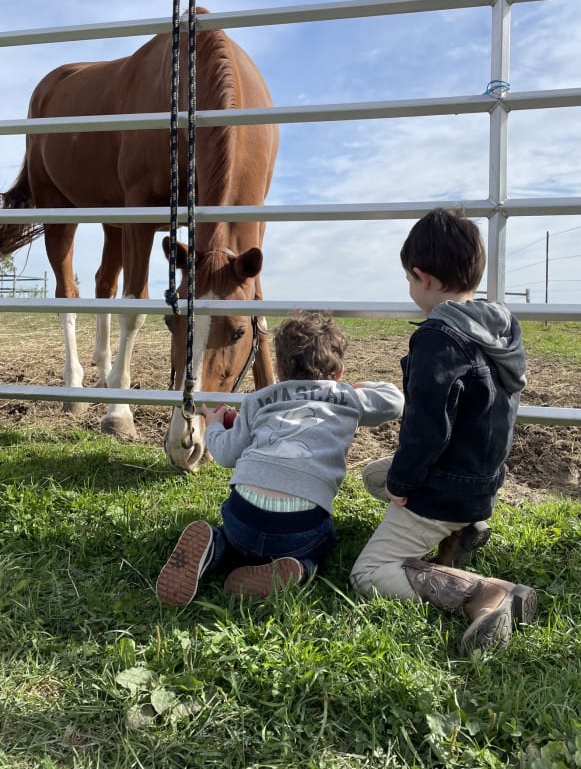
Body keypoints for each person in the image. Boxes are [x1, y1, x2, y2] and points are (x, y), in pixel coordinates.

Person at [349, 208, 536, 652]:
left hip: (445, 488)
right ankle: (465, 529)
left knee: (368, 573)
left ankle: (483, 594)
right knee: (372, 477)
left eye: (409, 281)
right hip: (481, 480)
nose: (411, 290)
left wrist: (405, 482)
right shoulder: (498, 326)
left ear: (422, 277)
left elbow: (427, 428)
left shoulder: (438, 339)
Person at [156, 310, 404, 606]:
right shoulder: (346, 398)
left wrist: (214, 425)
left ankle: (215, 544)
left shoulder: (258, 400)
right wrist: (352, 388)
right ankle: (301, 567)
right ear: (338, 373)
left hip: (242, 515)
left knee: (236, 538)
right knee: (324, 542)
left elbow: (225, 454)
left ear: (279, 369)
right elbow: (394, 400)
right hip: (301, 526)